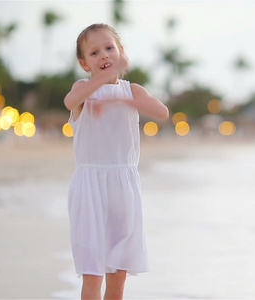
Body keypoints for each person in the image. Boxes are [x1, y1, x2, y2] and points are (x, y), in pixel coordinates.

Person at [64, 23, 169, 299]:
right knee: (92, 272)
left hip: (123, 189)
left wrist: (122, 101)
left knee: (118, 273)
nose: (104, 56)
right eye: (95, 52)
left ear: (121, 52)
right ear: (84, 63)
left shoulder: (132, 90)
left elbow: (161, 112)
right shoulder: (83, 90)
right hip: (90, 188)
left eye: (109, 48)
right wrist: (103, 80)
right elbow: (69, 101)